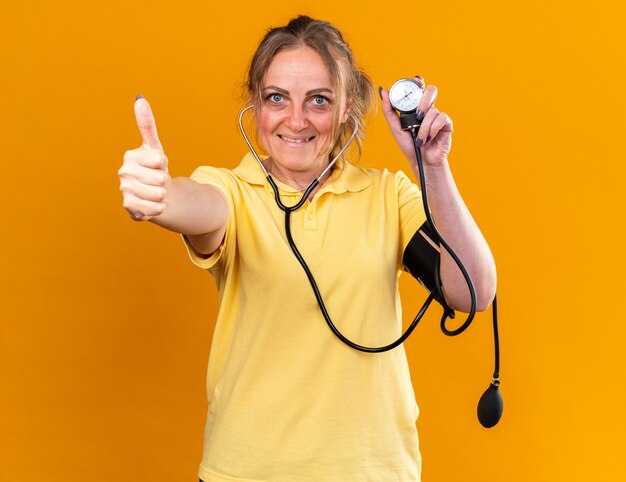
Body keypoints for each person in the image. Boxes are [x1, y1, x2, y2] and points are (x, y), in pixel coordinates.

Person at [118, 15, 496, 482]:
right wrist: (159, 198)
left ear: (346, 111)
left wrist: (432, 166)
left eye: (318, 100)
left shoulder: (388, 196)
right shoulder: (232, 191)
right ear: (255, 107)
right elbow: (198, 208)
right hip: (247, 472)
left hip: (374, 472)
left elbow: (473, 291)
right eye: (277, 98)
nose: (296, 121)